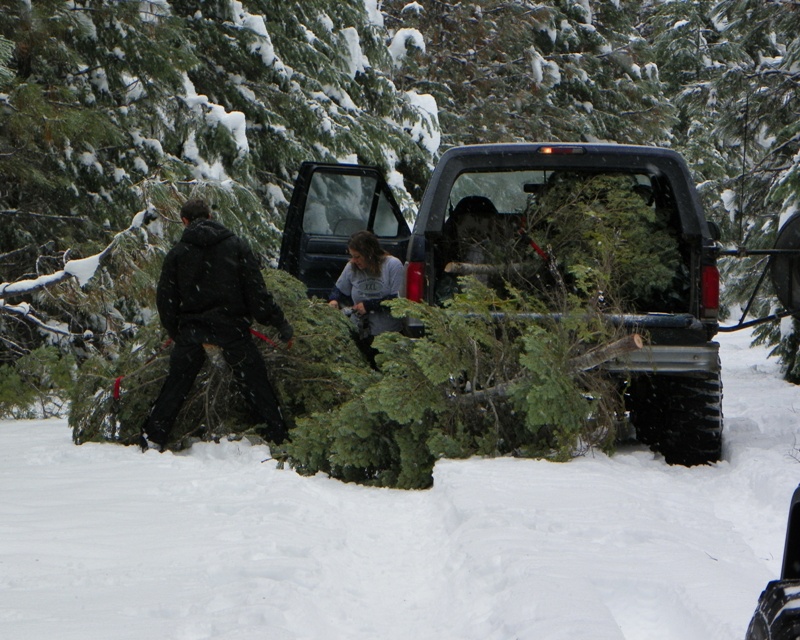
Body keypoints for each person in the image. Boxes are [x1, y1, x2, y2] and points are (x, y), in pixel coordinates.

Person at [142, 198, 293, 451]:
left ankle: (154, 437)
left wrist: (175, 331)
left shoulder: (178, 253)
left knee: (176, 385)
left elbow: (165, 300)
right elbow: (257, 293)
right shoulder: (236, 246)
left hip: (192, 329)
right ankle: (278, 436)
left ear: (185, 222)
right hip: (232, 329)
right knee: (256, 383)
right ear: (210, 217)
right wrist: (280, 323)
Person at [328, 230, 404, 353]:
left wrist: (369, 306)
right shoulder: (351, 267)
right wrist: (334, 300)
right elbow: (339, 290)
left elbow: (397, 301)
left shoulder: (392, 265)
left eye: (357, 257)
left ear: (369, 253)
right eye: (352, 256)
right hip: (360, 332)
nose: (354, 260)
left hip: (387, 335)